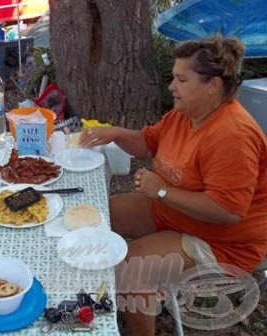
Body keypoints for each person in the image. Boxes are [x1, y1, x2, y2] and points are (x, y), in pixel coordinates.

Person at [78, 35, 267, 336]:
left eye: (181, 79)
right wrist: (115, 133)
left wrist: (162, 191)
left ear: (213, 86)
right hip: (173, 211)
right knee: (95, 215)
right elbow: (148, 143)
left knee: (130, 268)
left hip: (222, 242)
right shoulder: (185, 114)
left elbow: (228, 211)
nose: (171, 87)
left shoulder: (233, 134)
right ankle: (94, 293)